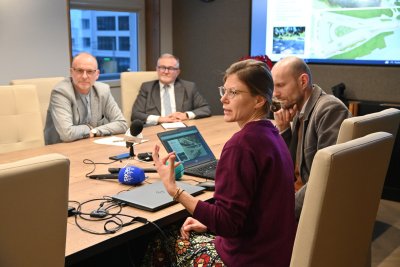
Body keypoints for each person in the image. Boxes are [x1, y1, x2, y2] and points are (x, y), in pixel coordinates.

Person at [149, 59, 296, 266]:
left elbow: (227, 225)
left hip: (249, 259)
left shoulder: (241, 145)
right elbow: (245, 214)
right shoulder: (273, 134)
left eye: (233, 93)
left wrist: (175, 190)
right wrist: (209, 222)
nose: (223, 99)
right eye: (224, 91)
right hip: (275, 252)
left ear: (259, 100)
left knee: (160, 240)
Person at [271, 56, 351, 220]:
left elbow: (326, 177)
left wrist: (284, 212)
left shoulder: (329, 109)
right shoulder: (299, 110)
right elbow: (292, 166)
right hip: (297, 192)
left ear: (303, 81)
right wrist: (285, 130)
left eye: (280, 85)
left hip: (307, 203)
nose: (275, 93)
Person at [44, 52, 128, 145]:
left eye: (89, 71)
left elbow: (122, 124)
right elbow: (67, 134)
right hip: (61, 148)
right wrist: (89, 128)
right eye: (80, 71)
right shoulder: (61, 92)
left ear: (97, 74)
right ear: (72, 72)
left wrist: (96, 131)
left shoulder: (103, 91)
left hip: (91, 145)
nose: (84, 76)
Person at [131, 53, 212, 125]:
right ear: (157, 69)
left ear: (178, 72)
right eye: (162, 67)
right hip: (155, 129)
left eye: (170, 68)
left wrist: (186, 115)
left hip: (181, 129)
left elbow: (205, 109)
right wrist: (160, 119)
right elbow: (135, 115)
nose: (166, 72)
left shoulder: (189, 87)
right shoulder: (147, 88)